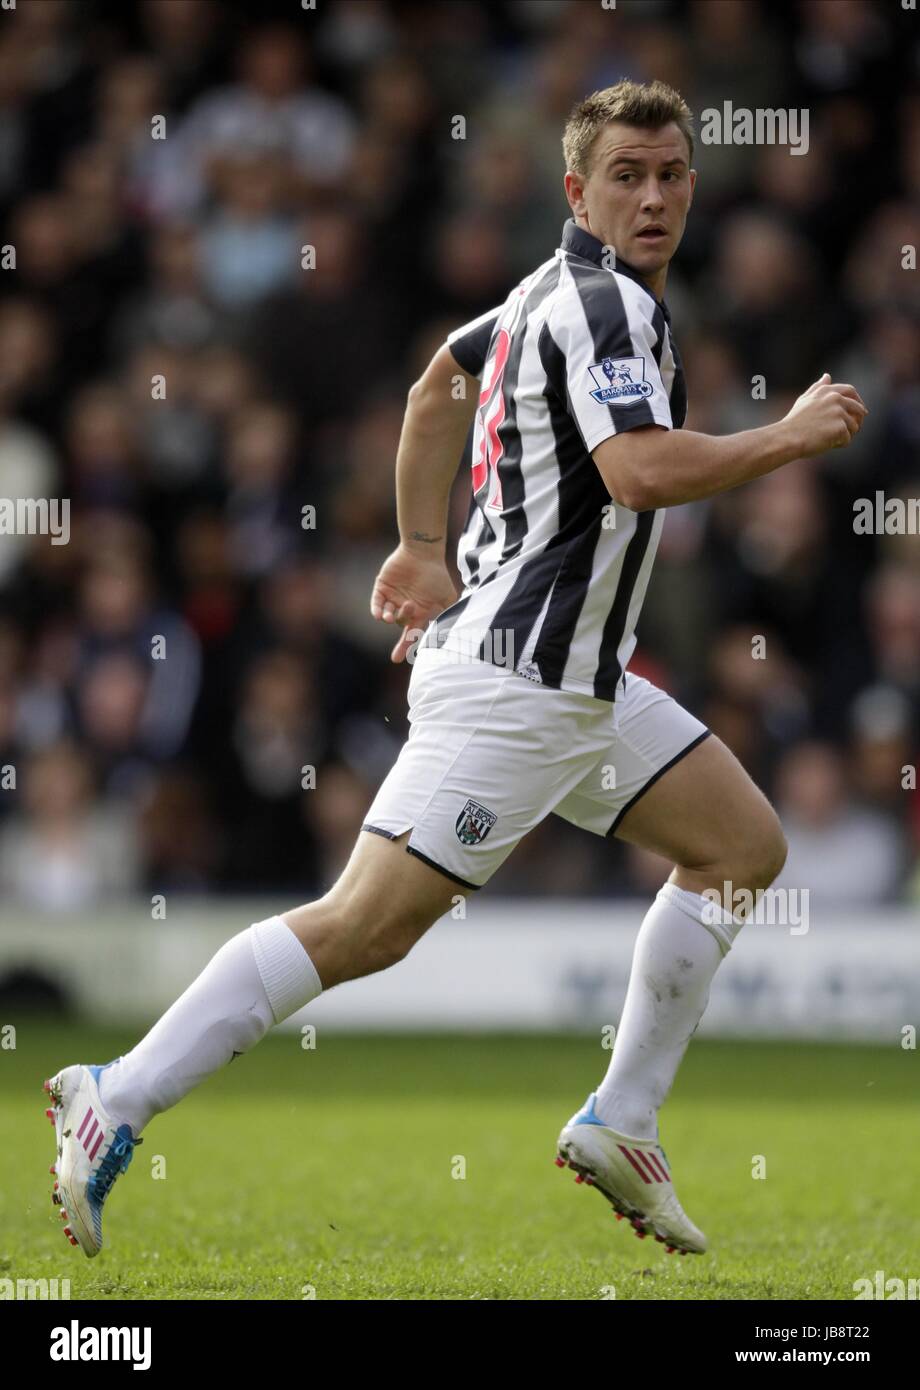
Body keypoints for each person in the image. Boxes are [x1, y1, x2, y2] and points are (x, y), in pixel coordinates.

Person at [44, 79, 867, 1259]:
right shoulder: (602, 308)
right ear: (573, 189)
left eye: (671, 173)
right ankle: (112, 1092)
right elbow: (635, 472)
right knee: (364, 927)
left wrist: (423, 545)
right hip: (517, 685)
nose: (651, 196)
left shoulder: (537, 302)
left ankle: (620, 1118)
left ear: (693, 183)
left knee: (740, 848)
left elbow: (437, 378)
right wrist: (783, 436)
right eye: (624, 176)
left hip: (578, 683)